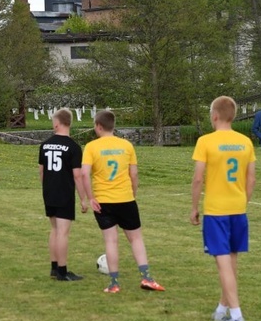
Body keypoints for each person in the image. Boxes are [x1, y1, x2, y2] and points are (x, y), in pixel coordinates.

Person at [81, 110, 165, 293]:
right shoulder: (127, 146)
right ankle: (147, 278)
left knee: (111, 241)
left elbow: (84, 174)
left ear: (98, 126)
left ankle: (114, 283)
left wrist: (90, 197)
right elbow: (134, 174)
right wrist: (132, 194)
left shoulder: (91, 147)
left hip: (103, 201)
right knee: (136, 239)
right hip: (126, 199)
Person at [190, 96, 256, 321]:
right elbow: (251, 178)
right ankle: (223, 307)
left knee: (223, 262)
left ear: (214, 116)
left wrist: (194, 208)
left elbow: (198, 179)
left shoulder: (206, 141)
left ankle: (237, 315)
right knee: (231, 260)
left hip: (216, 211)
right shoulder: (245, 141)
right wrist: (242, 201)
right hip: (238, 208)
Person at [38, 108, 87, 282]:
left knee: (54, 229)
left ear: (57, 123)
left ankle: (54, 267)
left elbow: (41, 171)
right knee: (63, 232)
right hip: (64, 193)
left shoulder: (45, 144)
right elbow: (77, 175)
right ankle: (62, 271)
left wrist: (46, 188)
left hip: (49, 192)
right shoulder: (73, 147)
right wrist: (83, 199)